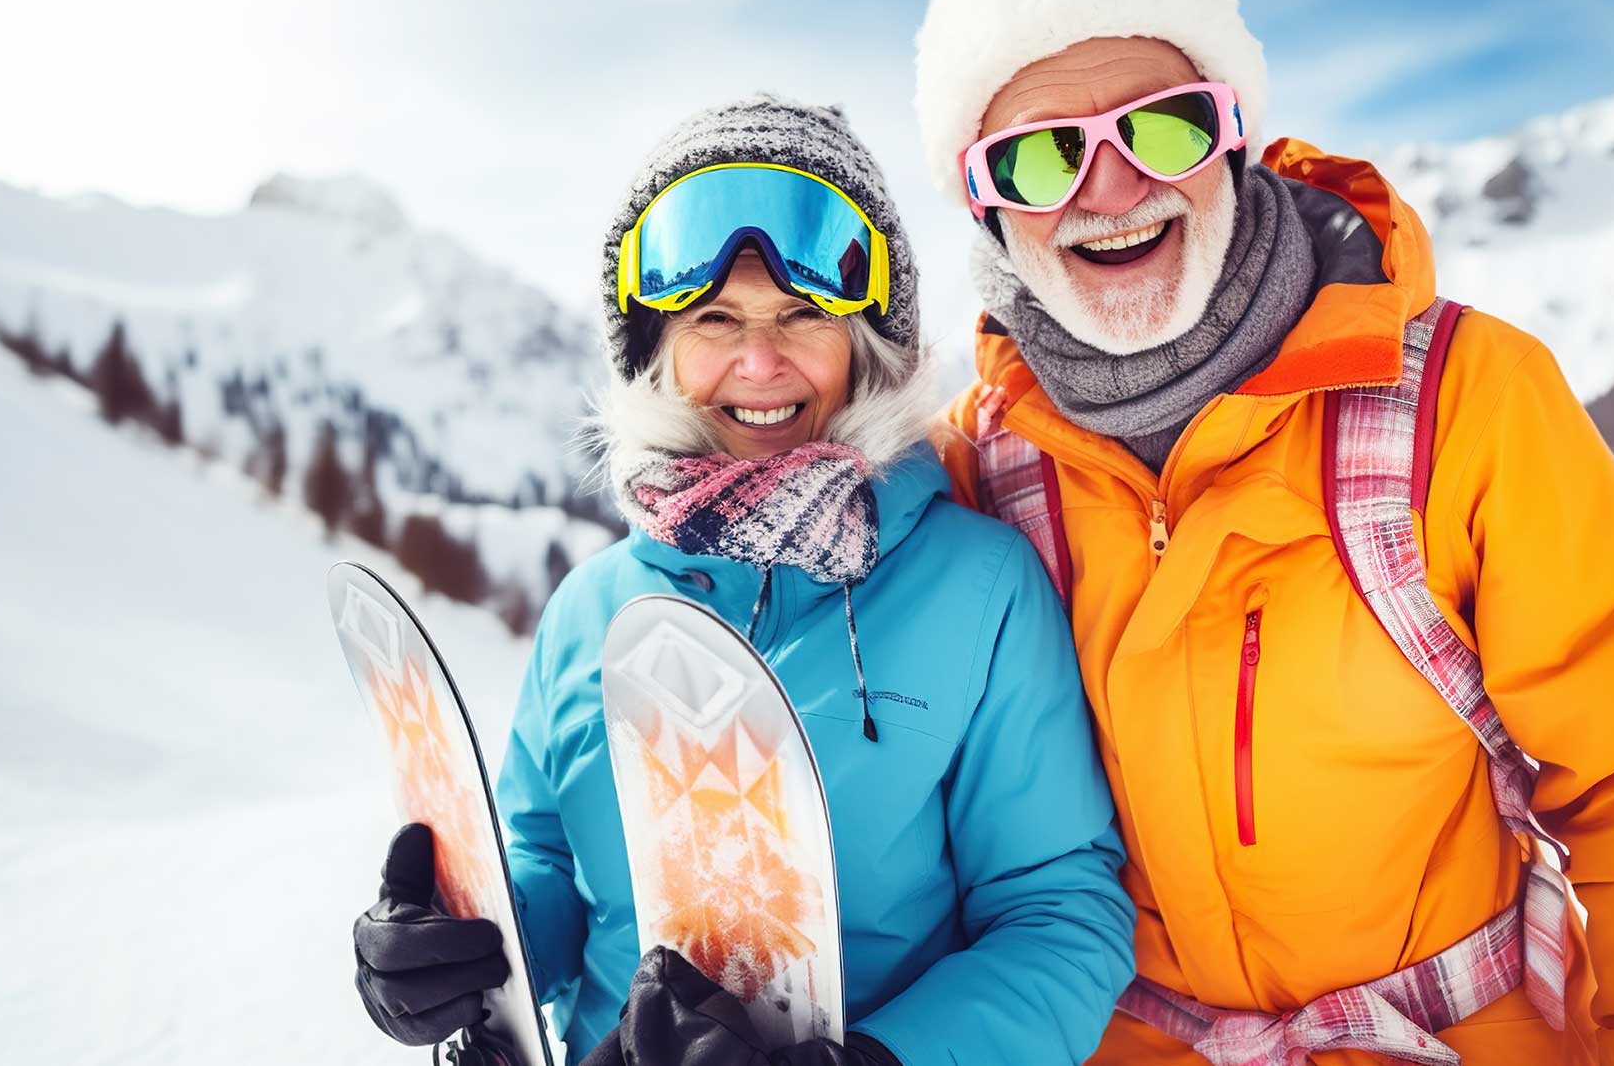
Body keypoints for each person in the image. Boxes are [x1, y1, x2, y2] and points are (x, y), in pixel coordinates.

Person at [919, 0, 1614, 1063]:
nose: (1109, 186)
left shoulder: (1458, 399)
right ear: (985, 203)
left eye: (1166, 129)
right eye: (1042, 154)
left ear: (1234, 138)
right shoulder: (973, 473)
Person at [351, 96, 1136, 1065]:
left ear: (867, 340)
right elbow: (544, 854)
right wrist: (461, 946)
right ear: (655, 347)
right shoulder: (588, 610)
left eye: (801, 314)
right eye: (714, 317)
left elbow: (1060, 914)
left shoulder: (976, 589)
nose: (758, 363)